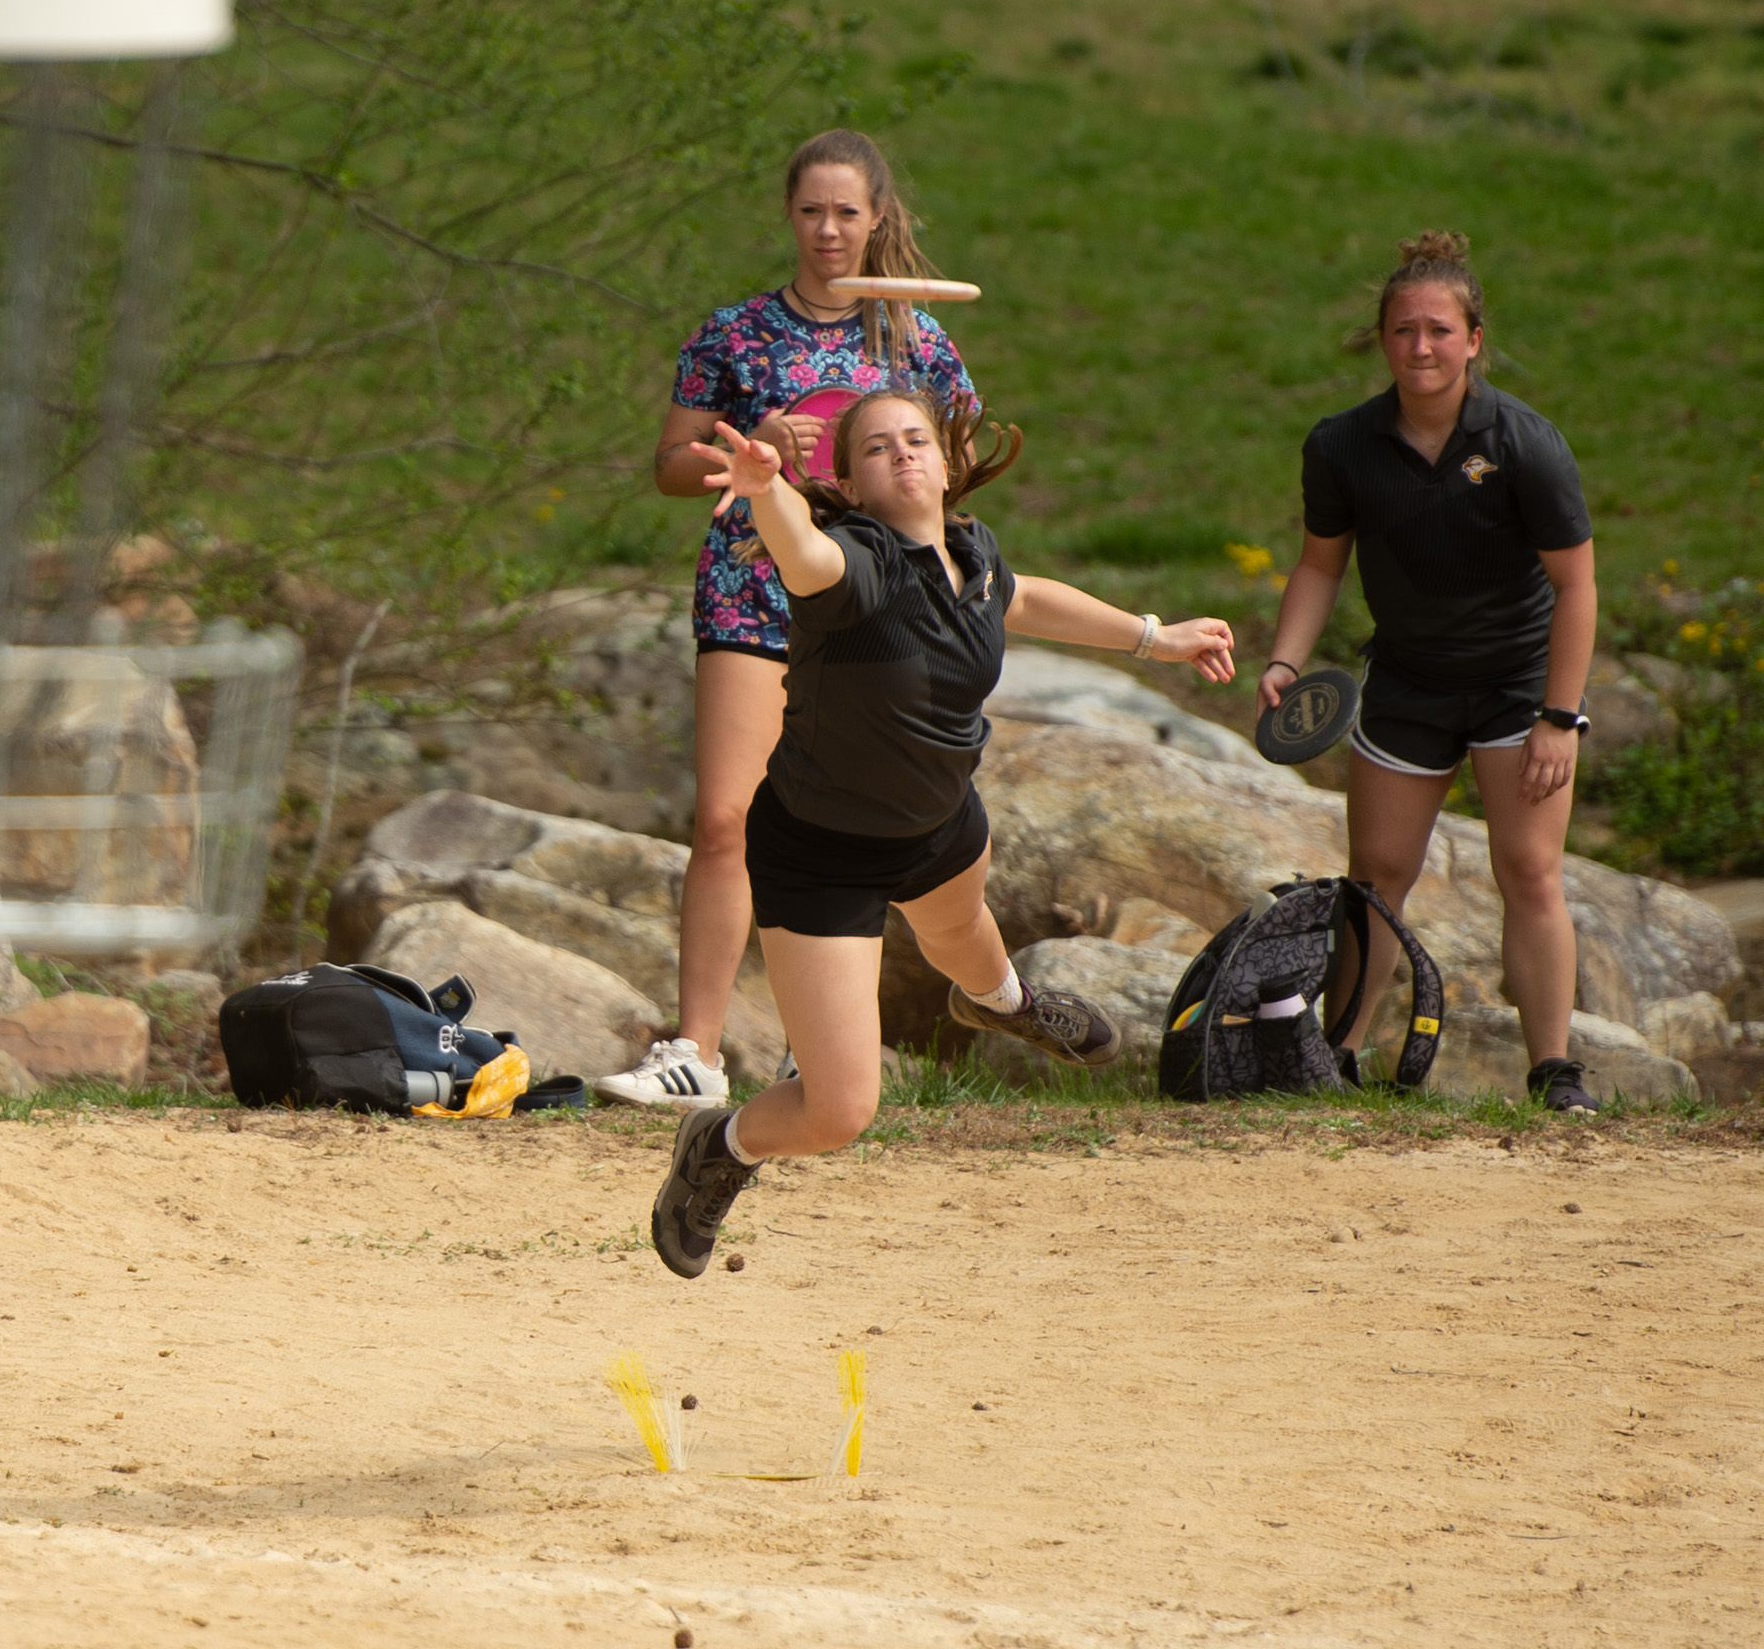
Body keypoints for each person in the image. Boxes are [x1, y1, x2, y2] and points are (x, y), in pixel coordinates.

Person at [649, 387, 1236, 1277]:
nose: (903, 455)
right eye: (877, 448)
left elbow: (1023, 598)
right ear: (848, 477)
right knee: (838, 1113)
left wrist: (1158, 636)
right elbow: (805, 557)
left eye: (917, 439)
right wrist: (770, 491)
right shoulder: (858, 566)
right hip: (821, 851)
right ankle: (721, 1146)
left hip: (937, 824)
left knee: (962, 936)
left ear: (950, 461)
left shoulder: (974, 555)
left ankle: (1004, 1003)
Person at [594, 130, 975, 1111]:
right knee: (727, 817)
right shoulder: (734, 333)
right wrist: (749, 449)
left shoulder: (914, 340)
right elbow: (672, 465)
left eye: (847, 212)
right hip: (751, 589)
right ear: (788, 216)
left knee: (851, 826)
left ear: (878, 217)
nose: (828, 230)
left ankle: (818, 1047)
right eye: (811, 211)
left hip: (872, 614)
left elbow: (959, 465)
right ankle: (696, 1049)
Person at [1257, 231, 1599, 1112]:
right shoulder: (1342, 446)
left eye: (1440, 331)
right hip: (1407, 680)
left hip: (1517, 686)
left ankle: (1554, 1071)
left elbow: (1577, 585)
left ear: (1474, 339)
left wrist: (1560, 716)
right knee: (1376, 874)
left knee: (1527, 869)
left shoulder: (1525, 442)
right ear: (1383, 340)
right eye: (1405, 331)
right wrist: (1286, 661)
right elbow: (1321, 566)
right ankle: (1337, 1056)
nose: (1422, 347)